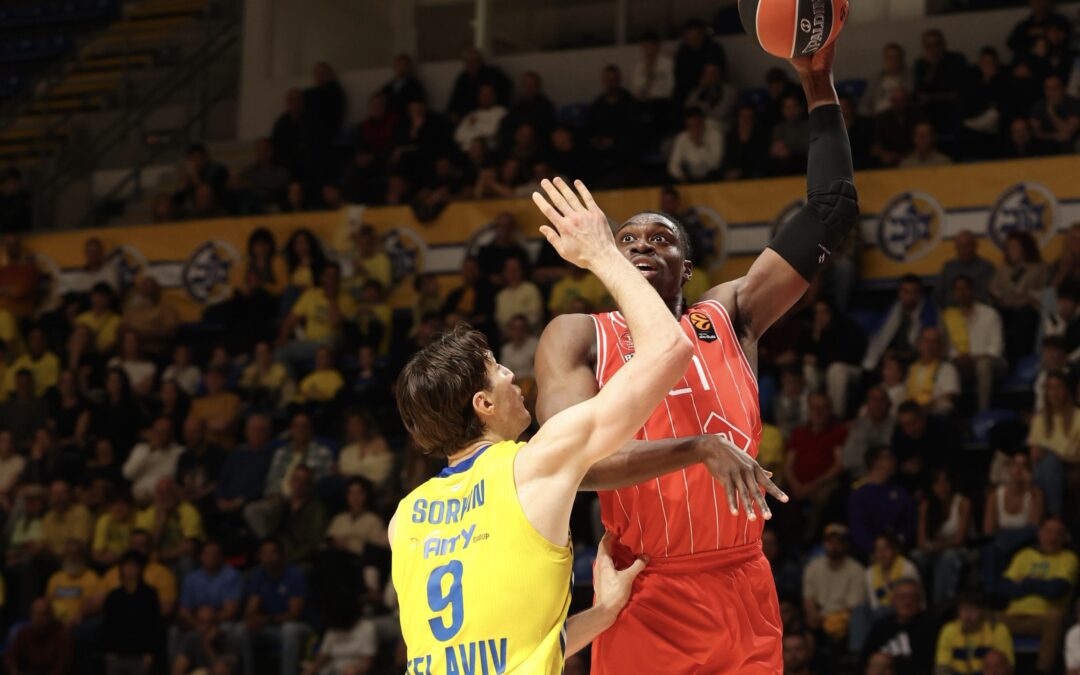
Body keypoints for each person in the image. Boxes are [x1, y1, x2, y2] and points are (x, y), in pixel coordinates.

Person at [534, 43, 856, 674]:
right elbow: (575, 464)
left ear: (687, 267)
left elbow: (832, 208)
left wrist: (817, 80)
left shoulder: (729, 314)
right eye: (627, 238)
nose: (641, 245)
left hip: (744, 584)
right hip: (648, 589)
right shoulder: (577, 336)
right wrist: (699, 447)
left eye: (661, 239)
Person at [391, 174, 701, 673]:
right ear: (482, 404)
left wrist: (604, 613)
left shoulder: (405, 518)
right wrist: (603, 255)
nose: (513, 377)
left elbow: (509, 646)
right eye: (498, 370)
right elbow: (669, 348)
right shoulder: (533, 465)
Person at [999, 516, 1078, 674]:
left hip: (1044, 619)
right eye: (1049, 531)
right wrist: (1042, 584)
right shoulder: (1024, 555)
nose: (1053, 537)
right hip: (1013, 617)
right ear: (1040, 533)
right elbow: (1006, 588)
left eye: (1058, 533)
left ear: (1064, 538)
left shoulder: (1069, 558)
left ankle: (1042, 671)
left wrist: (1026, 582)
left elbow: (1056, 590)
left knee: (1055, 616)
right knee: (980, 617)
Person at [236, 538, 312, 675]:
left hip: (299, 627)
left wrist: (267, 619)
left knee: (289, 629)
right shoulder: (258, 576)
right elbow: (251, 610)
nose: (268, 557)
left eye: (272, 553)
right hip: (271, 629)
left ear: (281, 555)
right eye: (264, 553)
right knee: (241, 629)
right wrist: (252, 619)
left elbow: (294, 614)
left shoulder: (295, 574)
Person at [943, 275, 1005, 413]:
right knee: (946, 367)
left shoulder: (990, 314)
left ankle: (983, 412)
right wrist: (958, 358)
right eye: (958, 290)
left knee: (983, 366)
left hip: (992, 362)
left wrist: (974, 358)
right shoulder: (950, 317)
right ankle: (952, 414)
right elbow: (949, 348)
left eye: (965, 289)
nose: (962, 293)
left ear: (973, 291)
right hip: (963, 362)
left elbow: (996, 349)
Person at [803, 524, 868, 645]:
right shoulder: (813, 566)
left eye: (839, 542)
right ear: (824, 543)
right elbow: (808, 599)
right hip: (818, 619)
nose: (834, 546)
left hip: (844, 620)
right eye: (830, 542)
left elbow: (854, 606)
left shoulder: (856, 569)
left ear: (846, 544)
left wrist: (833, 620)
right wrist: (814, 615)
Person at [103, 551, 165, 675]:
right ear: (121, 569)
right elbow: (108, 625)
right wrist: (109, 651)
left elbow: (154, 624)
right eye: (127, 566)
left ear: (140, 569)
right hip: (117, 654)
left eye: (134, 566)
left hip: (140, 656)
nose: (130, 570)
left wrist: (150, 652)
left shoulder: (149, 595)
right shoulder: (113, 596)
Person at [916, 469, 972, 606]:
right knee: (917, 556)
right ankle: (920, 602)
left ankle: (941, 605)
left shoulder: (963, 503)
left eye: (945, 482)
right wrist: (929, 547)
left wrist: (939, 546)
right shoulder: (926, 505)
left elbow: (960, 540)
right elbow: (921, 541)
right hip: (933, 550)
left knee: (948, 557)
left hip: (958, 549)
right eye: (937, 483)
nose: (942, 487)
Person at [862, 577, 938, 675]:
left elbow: (926, 665)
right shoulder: (881, 626)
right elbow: (864, 660)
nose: (907, 601)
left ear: (919, 601)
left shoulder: (930, 626)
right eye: (902, 597)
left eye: (912, 597)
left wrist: (889, 665)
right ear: (893, 600)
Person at [990, 231, 1046, 364]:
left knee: (1024, 316)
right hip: (1006, 308)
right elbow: (993, 289)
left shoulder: (1039, 268)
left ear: (1025, 248)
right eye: (1009, 248)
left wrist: (1028, 297)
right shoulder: (1003, 269)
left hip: (1028, 310)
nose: (1011, 251)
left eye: (1015, 247)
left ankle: (1021, 362)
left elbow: (1043, 292)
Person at [863, 275, 938, 371]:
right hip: (888, 362)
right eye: (906, 292)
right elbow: (878, 339)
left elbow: (924, 350)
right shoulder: (892, 310)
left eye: (914, 292)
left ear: (920, 294)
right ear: (899, 293)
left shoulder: (928, 313)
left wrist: (896, 355)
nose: (910, 297)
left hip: (913, 363)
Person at [849, 447, 916, 557]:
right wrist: (875, 549)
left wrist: (899, 541)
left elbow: (909, 521)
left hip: (898, 550)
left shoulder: (899, 491)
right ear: (876, 462)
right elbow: (859, 530)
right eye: (889, 457)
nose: (894, 461)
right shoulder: (860, 494)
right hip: (870, 554)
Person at [935, 591, 1014, 675]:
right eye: (964, 609)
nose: (968, 615)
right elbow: (942, 668)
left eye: (973, 609)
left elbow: (1006, 669)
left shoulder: (998, 630)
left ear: (983, 611)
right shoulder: (949, 630)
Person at [5, 598, 75, 675]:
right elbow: (11, 655)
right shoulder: (24, 633)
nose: (37, 619)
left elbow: (62, 668)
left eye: (42, 615)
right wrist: (13, 668)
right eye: (34, 614)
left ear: (51, 616)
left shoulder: (62, 636)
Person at [123, 417, 183, 504]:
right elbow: (128, 474)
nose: (161, 435)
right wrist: (150, 450)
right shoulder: (141, 449)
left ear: (171, 433)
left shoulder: (180, 452)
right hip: (139, 498)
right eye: (158, 431)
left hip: (166, 499)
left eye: (164, 431)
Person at [842, 388, 896, 480]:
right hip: (858, 478)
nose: (877, 404)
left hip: (888, 479)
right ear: (867, 404)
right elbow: (848, 461)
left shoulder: (898, 427)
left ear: (889, 404)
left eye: (881, 400)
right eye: (873, 400)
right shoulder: (857, 426)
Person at [905, 327, 961, 416]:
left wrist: (927, 406)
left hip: (936, 415)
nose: (930, 346)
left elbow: (950, 395)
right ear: (919, 344)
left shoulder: (947, 368)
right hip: (912, 414)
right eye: (926, 341)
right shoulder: (912, 368)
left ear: (940, 347)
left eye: (934, 342)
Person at [935, 231, 996, 308]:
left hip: (978, 311)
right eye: (959, 246)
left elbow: (986, 296)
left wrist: (965, 300)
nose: (962, 250)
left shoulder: (986, 267)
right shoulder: (948, 267)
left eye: (966, 246)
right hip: (952, 310)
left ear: (975, 246)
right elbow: (939, 295)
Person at [866, 534, 921, 613]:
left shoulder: (908, 568)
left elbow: (916, 599)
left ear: (895, 550)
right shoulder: (870, 573)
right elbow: (874, 604)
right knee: (861, 609)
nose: (882, 554)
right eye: (878, 549)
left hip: (905, 611)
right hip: (880, 613)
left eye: (886, 548)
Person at [667, 107, 723, 182]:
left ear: (703, 122)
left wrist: (699, 145)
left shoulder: (715, 135)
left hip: (711, 178)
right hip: (689, 178)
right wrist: (683, 177)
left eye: (697, 125)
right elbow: (673, 165)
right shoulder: (682, 138)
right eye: (690, 126)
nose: (694, 129)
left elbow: (715, 164)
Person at [862, 44, 912, 117]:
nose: (893, 61)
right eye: (890, 57)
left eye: (896, 57)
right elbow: (865, 102)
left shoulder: (909, 77)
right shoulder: (876, 78)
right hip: (875, 116)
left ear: (901, 59)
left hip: (897, 115)